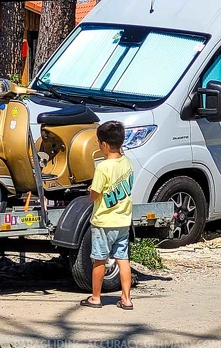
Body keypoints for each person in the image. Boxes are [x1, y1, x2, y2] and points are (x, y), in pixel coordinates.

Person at [79, 120, 134, 310]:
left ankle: (96, 297)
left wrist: (91, 190)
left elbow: (95, 195)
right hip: (123, 220)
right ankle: (126, 299)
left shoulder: (103, 167)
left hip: (104, 221)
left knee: (99, 259)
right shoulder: (127, 162)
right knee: (122, 259)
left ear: (103, 144)